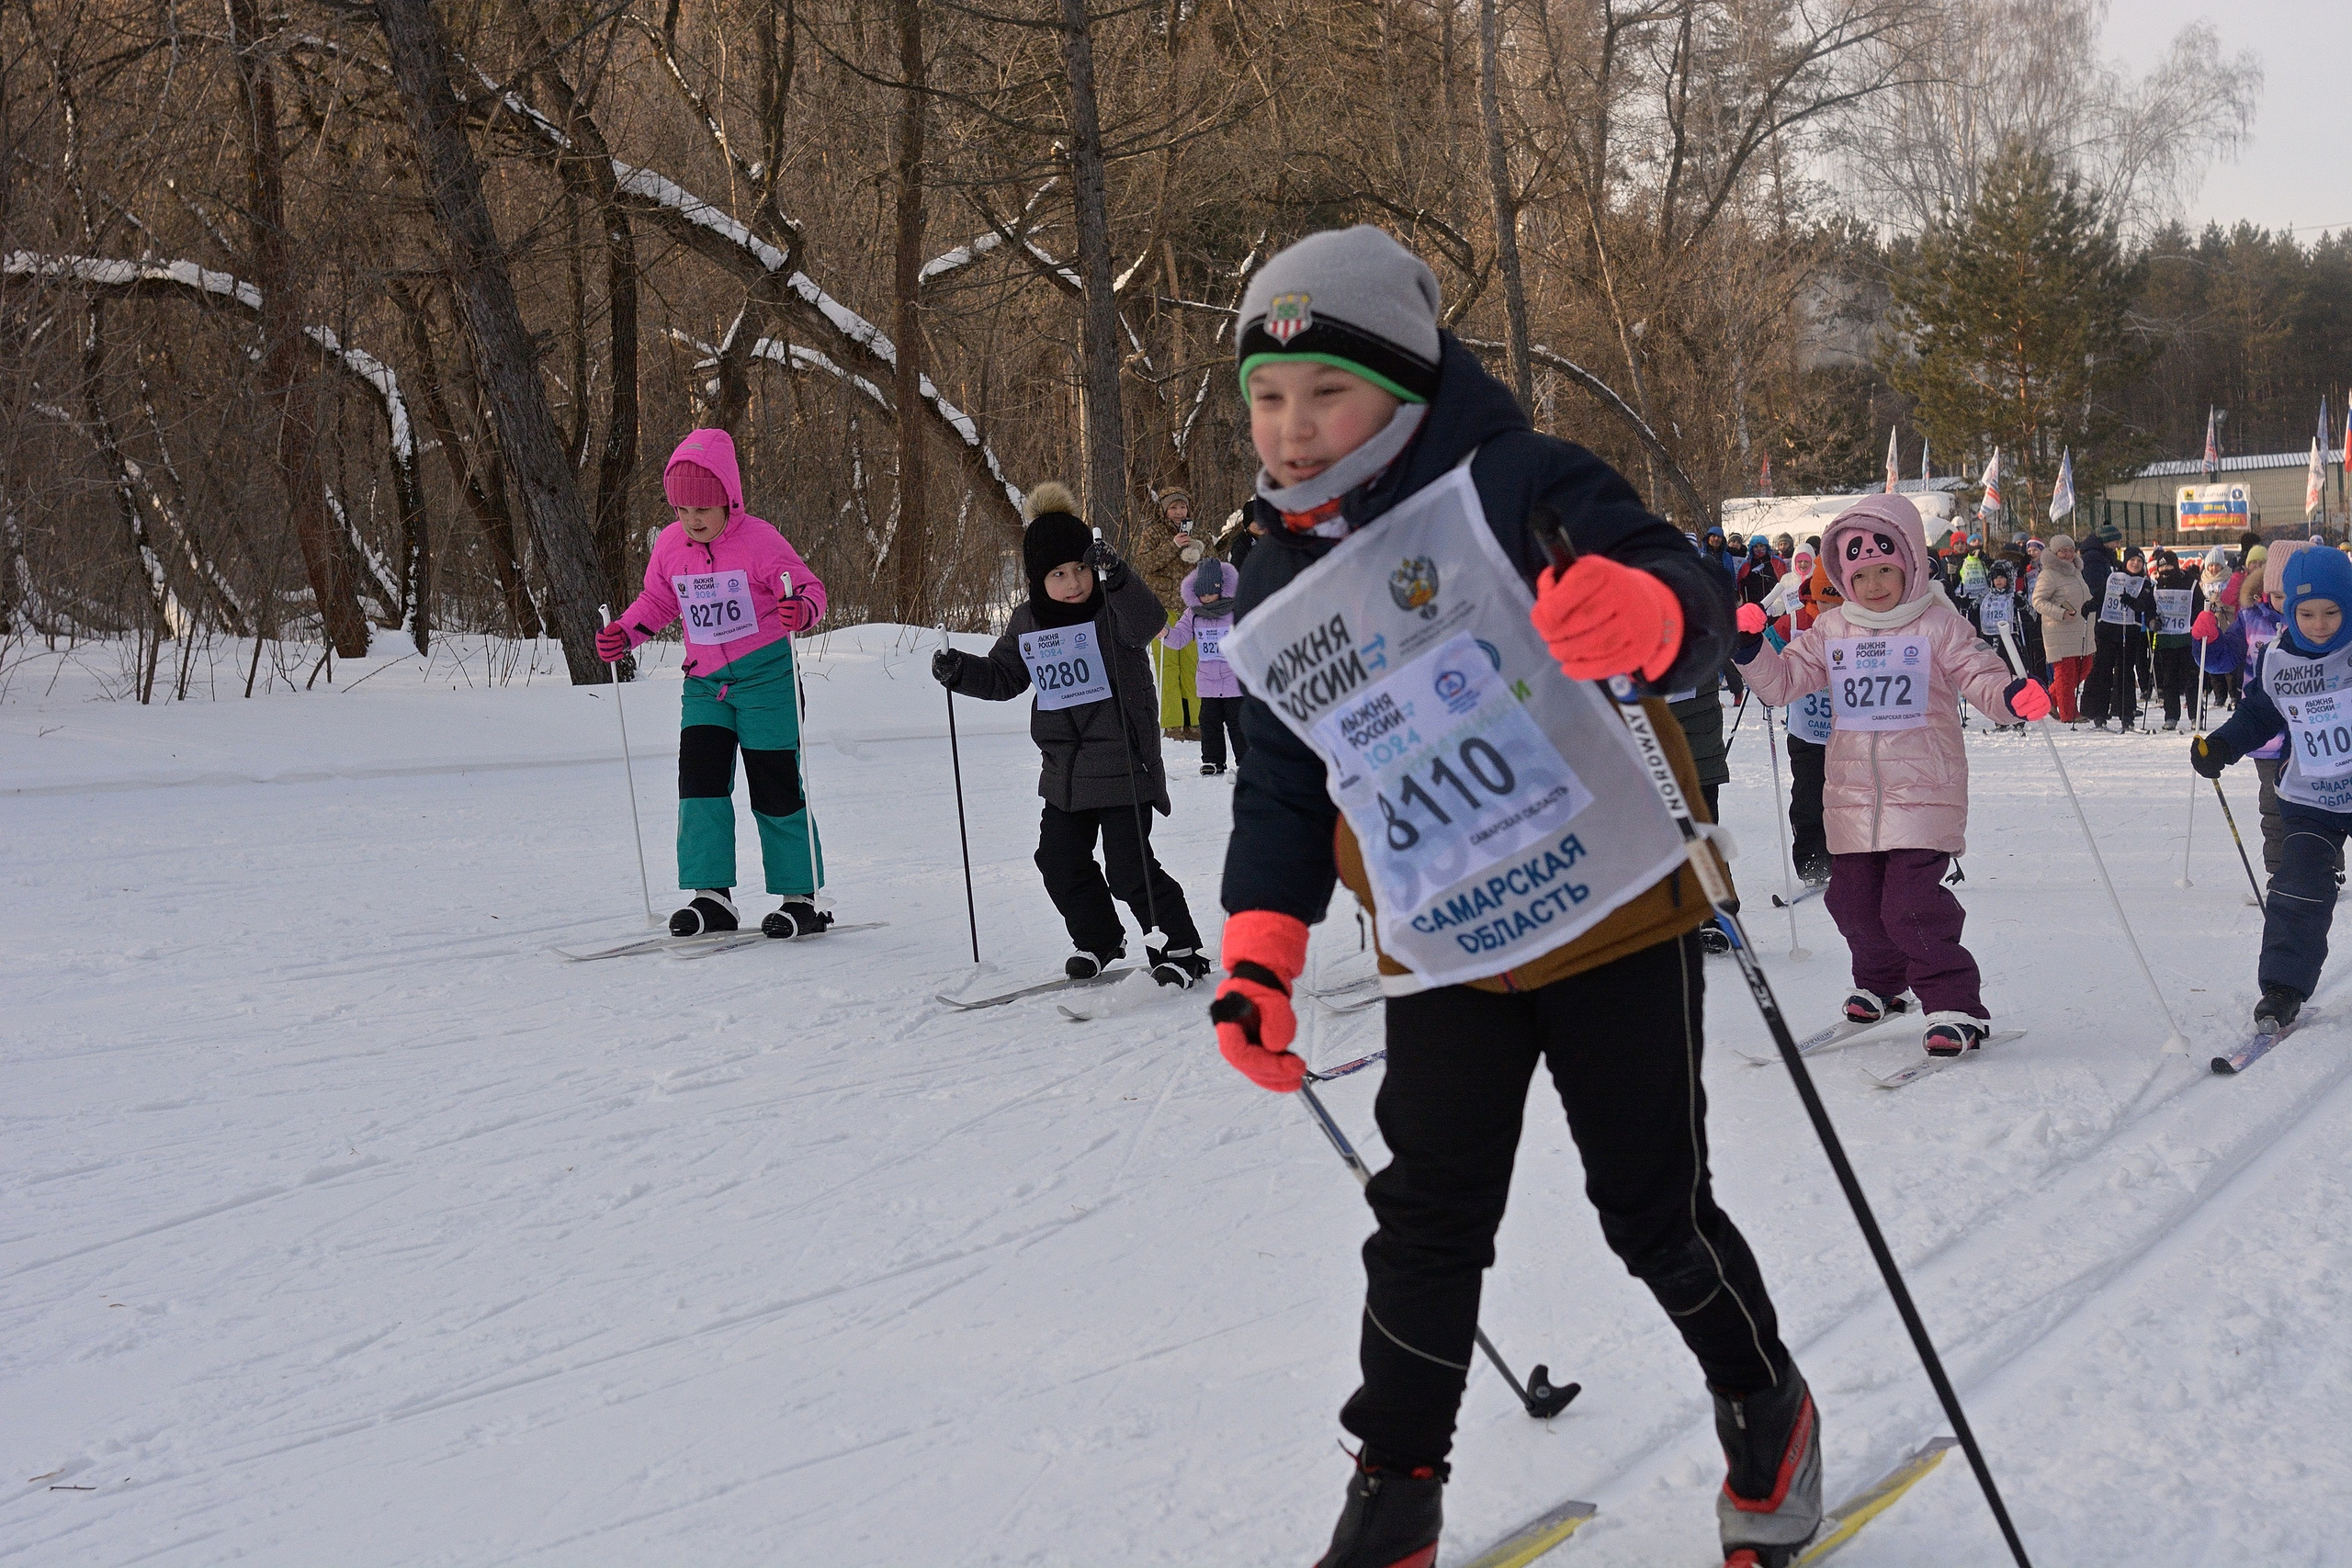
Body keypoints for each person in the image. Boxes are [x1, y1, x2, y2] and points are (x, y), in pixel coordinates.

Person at [1204, 226, 1815, 1568]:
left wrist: (1651, 617)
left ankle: (1765, 1400)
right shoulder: (1275, 569)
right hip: (1444, 939)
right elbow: (1285, 780)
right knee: (1426, 1218)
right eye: (1266, 396)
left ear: (1406, 387)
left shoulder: (1518, 479)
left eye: (1325, 393)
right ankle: (1395, 1491)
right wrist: (1258, 951)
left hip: (1608, 908)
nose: (1290, 429)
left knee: (1652, 1210)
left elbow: (1682, 585)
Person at [1732, 494, 2047, 1055]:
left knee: (1911, 906)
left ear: (1911, 565)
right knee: (1851, 902)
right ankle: (1882, 984)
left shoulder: (1939, 625)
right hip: (1851, 797)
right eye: (1860, 574)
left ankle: (1954, 1003)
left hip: (1924, 791)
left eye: (1885, 570)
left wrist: (2010, 697)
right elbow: (1783, 684)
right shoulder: (1832, 629)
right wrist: (1750, 649)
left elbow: (1981, 675)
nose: (1874, 585)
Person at [930, 482, 1211, 987]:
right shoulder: (1029, 621)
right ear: (1038, 580)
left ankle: (1180, 946)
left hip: (1124, 763)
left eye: (1081, 568)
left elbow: (1149, 621)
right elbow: (1004, 676)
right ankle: (1099, 938)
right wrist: (961, 671)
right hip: (1065, 771)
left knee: (1130, 869)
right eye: (1058, 574)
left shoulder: (1113, 609)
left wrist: (1118, 576)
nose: (1073, 582)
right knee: (1058, 861)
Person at [596, 428, 831, 940]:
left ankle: (801, 897)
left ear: (729, 498)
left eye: (703, 508)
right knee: (700, 786)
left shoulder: (760, 540)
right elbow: (658, 601)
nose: (692, 519)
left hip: (766, 680)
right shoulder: (670, 546)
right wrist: (625, 633)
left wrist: (801, 609)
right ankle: (712, 897)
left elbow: (810, 589)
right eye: (682, 510)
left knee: (774, 786)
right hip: (704, 684)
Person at [2191, 546, 2352, 1032]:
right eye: (2306, 614)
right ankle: (2283, 986)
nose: (2319, 625)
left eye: (2331, 612)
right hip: (2311, 797)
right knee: (2297, 885)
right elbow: (2259, 714)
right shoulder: (2278, 659)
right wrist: (2222, 745)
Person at [1160, 557, 1247, 774]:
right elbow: (1180, 638)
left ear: (1221, 589)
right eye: (1202, 593)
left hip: (1233, 679)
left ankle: (1246, 761)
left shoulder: (1235, 610)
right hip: (1208, 681)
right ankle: (1212, 760)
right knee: (1209, 723)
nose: (1206, 598)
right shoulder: (1193, 614)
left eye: (1211, 592)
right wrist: (1165, 633)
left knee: (1238, 723)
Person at [2084, 543, 2154, 730]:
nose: (2135, 563)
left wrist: (2131, 601)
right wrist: (2090, 606)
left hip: (2129, 633)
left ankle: (2126, 713)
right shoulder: (2113, 576)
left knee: (2125, 673)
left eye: (2139, 561)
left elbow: (2144, 605)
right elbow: (2101, 596)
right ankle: (2100, 713)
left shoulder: (2145, 583)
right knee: (2103, 671)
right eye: (2132, 560)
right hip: (2107, 630)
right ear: (2126, 561)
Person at [2032, 534, 2095, 723]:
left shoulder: (2076, 571)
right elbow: (2038, 601)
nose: (2068, 554)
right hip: (2059, 630)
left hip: (2080, 629)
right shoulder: (2048, 574)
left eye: (2070, 550)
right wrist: (2060, 612)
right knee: (2066, 675)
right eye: (2063, 551)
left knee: (2084, 668)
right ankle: (2069, 714)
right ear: (2054, 553)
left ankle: (2049, 699)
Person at [2149, 548, 2206, 730]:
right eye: (2162, 567)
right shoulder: (2156, 586)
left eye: (2169, 566)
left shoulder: (2190, 583)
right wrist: (2152, 621)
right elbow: (2150, 609)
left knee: (2191, 678)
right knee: (2169, 679)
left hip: (2187, 638)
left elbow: (2200, 606)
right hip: (2166, 639)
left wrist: (2197, 624)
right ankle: (2171, 715)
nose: (2165, 570)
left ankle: (2196, 715)